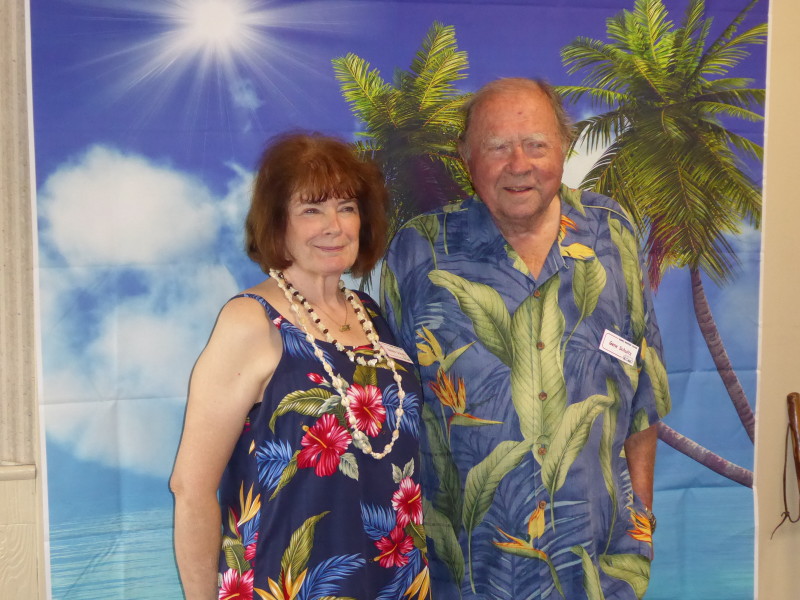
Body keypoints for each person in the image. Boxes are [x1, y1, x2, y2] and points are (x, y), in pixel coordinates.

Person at [381, 78, 671, 599]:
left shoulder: (612, 234)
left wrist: (640, 521)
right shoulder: (418, 252)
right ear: (467, 157)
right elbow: (390, 418)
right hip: (466, 580)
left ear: (564, 146)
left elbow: (643, 394)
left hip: (598, 576)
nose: (519, 164)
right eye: (497, 147)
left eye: (536, 144)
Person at [170, 132, 430, 600]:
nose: (335, 226)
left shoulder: (372, 317)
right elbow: (190, 488)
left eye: (347, 207)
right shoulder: (250, 322)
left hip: (395, 581)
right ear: (277, 224)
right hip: (288, 583)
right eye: (312, 209)